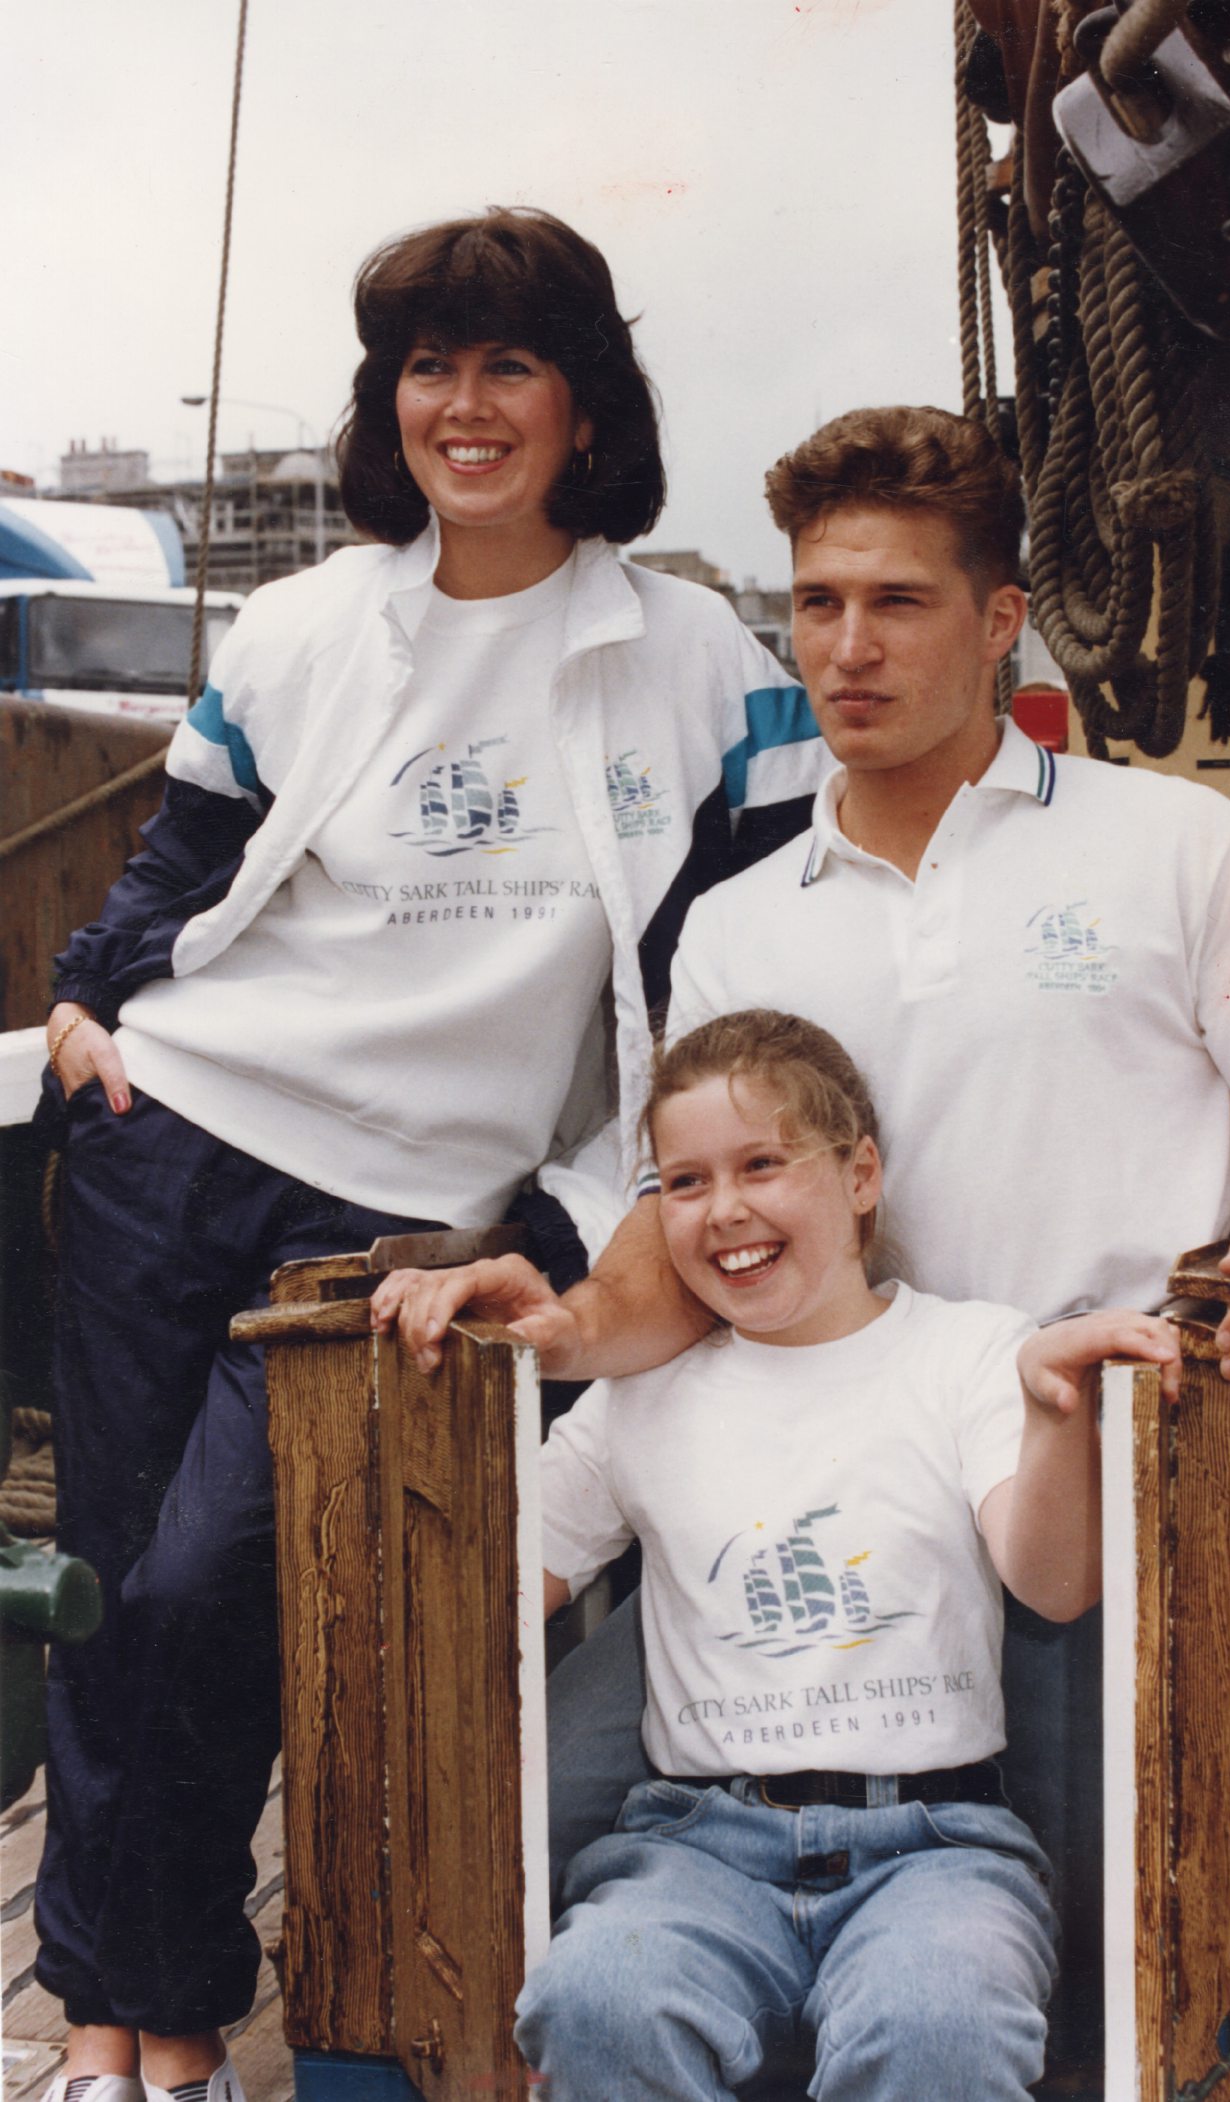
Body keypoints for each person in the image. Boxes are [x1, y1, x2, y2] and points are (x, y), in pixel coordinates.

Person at [377, 408, 1230, 2015]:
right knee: (501, 1821)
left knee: (1102, 1973)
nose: (845, 647)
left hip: (1081, 1497)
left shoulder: (1174, 848)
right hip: (804, 1485)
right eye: (816, 603)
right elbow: (691, 1237)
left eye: (898, 602)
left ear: (1003, 619)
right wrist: (574, 1321)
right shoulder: (732, 924)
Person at [35, 209, 826, 2102]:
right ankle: (117, 2019)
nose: (464, 409)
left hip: (408, 1203)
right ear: (390, 406)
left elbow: (733, 963)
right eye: (427, 370)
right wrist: (87, 1004)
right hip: (184, 1132)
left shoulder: (694, 652)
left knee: (218, 1580)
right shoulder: (310, 622)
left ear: (582, 405)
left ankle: (194, 1984)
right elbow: (180, 870)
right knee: (110, 1580)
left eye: (509, 367)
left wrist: (591, 1206)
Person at [514, 1007, 1181, 2100]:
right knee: (597, 1991)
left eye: (763, 1163)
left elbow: (1053, 1581)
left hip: (934, 1841)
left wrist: (1057, 1408)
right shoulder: (640, 1399)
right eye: (682, 1182)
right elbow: (500, 1588)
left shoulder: (966, 1352)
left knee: (941, 2018)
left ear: (860, 1173)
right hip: (695, 1847)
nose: (724, 1207)